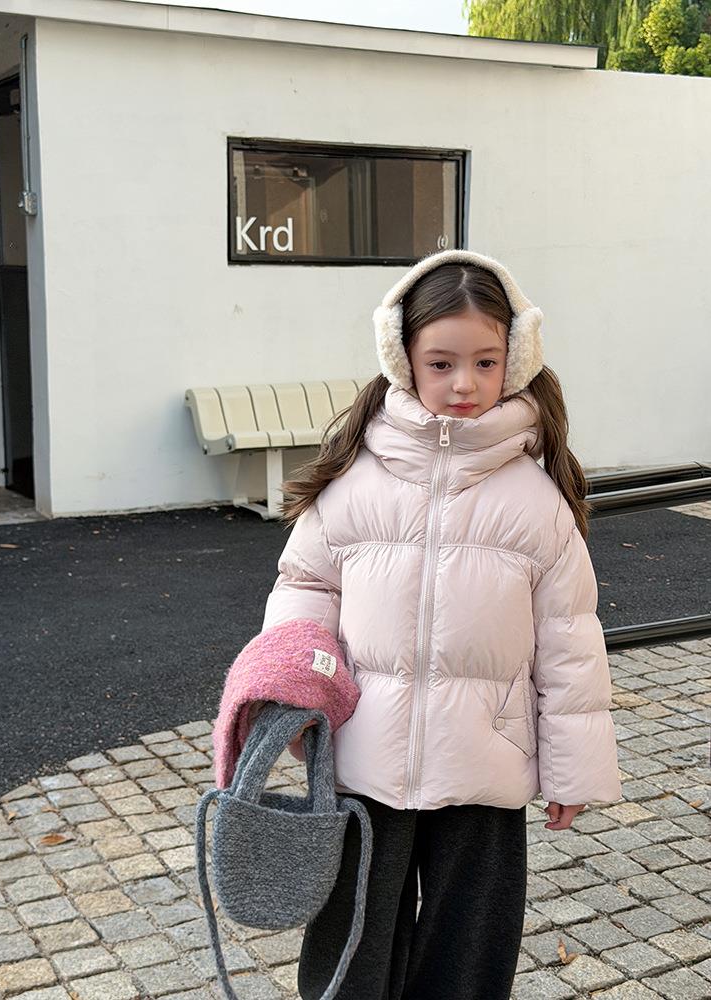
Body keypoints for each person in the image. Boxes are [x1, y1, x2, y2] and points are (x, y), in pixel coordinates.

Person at [257, 249, 621, 1000]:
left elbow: (570, 641)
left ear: (516, 359)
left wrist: (574, 767)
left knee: (469, 951)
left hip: (486, 764)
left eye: (485, 362)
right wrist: (293, 694)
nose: (464, 384)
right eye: (441, 363)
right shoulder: (354, 481)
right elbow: (304, 590)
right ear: (404, 360)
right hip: (363, 758)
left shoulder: (536, 502)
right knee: (351, 945)